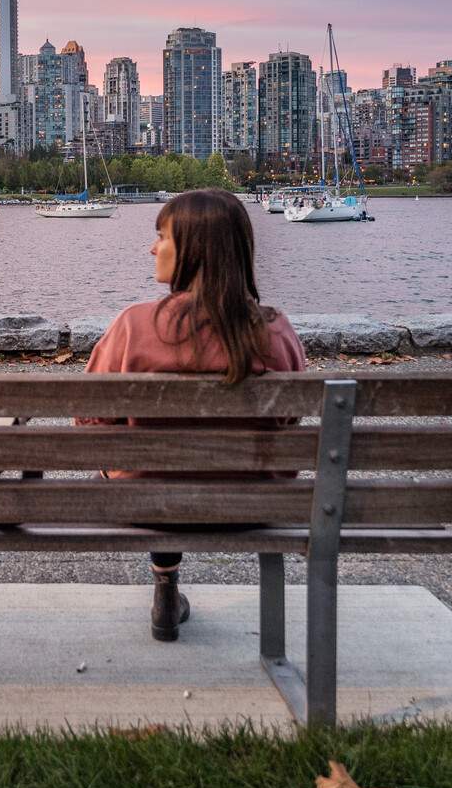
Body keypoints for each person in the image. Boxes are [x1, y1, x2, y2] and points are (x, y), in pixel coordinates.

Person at [79, 188, 306, 642]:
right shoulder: (275, 329)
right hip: (254, 504)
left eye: (161, 236)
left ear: (193, 250)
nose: (152, 247)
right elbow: (290, 422)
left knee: (149, 467)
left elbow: (89, 420)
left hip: (147, 501)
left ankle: (165, 579)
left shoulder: (133, 325)